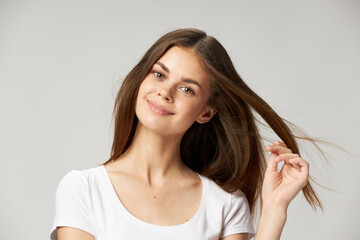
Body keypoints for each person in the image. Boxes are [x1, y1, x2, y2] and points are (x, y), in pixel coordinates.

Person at [50, 28, 322, 240]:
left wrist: (274, 208)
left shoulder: (226, 204)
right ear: (141, 79)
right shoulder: (82, 190)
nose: (164, 92)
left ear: (206, 112)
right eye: (159, 74)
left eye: (187, 89)